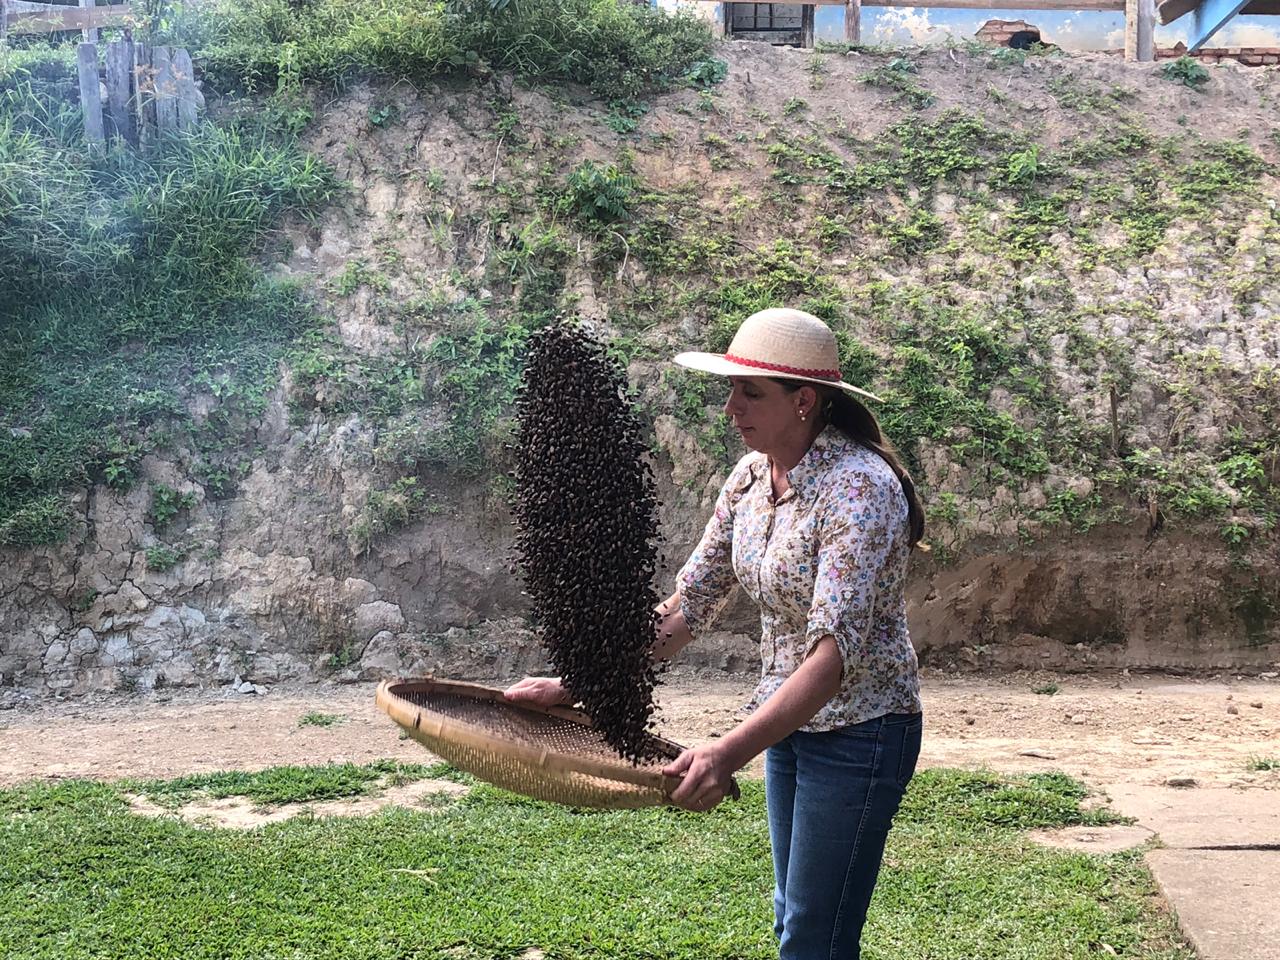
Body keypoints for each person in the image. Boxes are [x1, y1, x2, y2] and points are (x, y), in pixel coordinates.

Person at [505, 307, 925, 960]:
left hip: (862, 731)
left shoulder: (860, 494)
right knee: (796, 920)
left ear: (804, 401)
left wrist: (725, 753)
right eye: (730, 388)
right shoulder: (752, 480)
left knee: (817, 933)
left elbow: (831, 662)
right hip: (789, 724)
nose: (730, 408)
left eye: (749, 391)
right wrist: (581, 685)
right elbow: (684, 609)